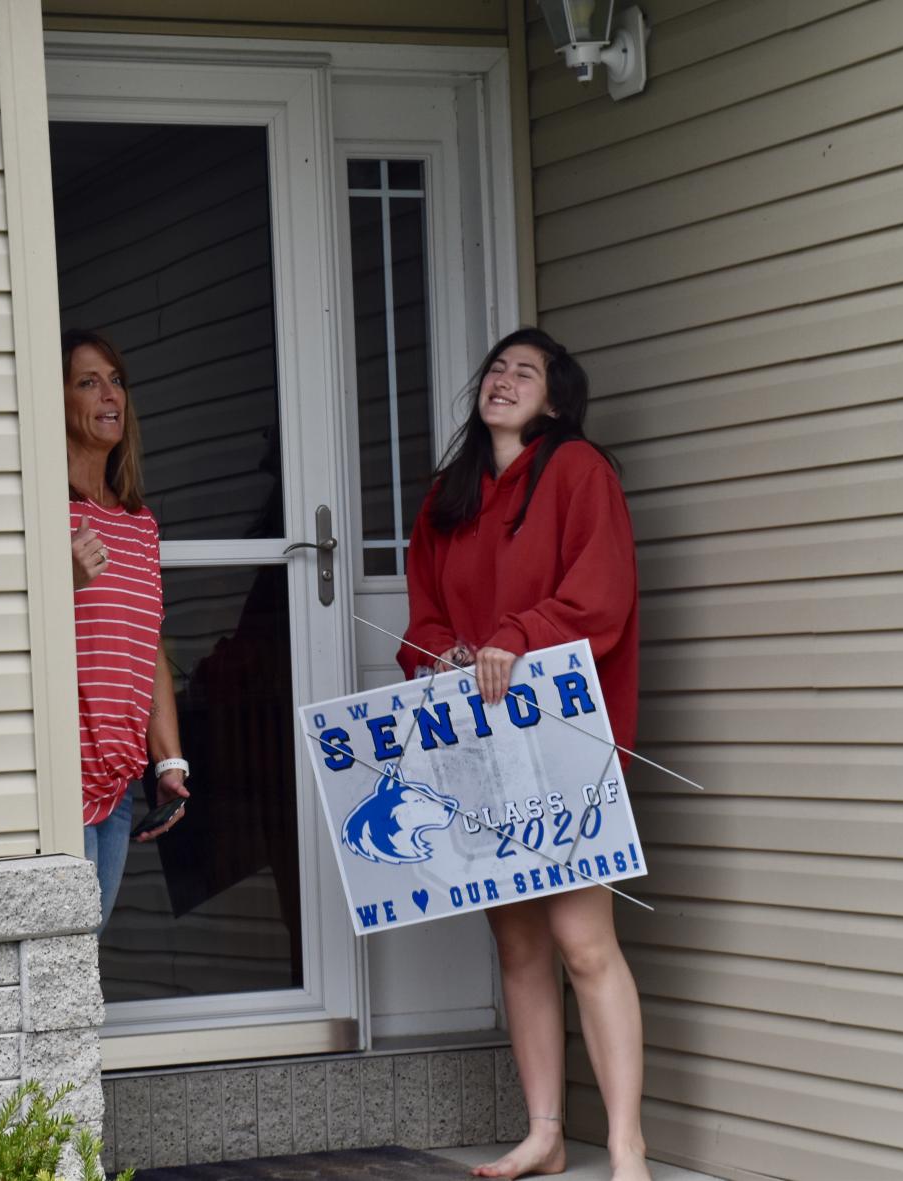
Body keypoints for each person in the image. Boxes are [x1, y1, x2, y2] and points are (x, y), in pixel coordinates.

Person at [398, 328, 650, 1181]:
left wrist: (514, 637)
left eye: (525, 372)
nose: (502, 381)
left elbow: (599, 592)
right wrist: (437, 655)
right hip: (478, 742)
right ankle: (544, 1133)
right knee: (517, 944)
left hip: (564, 739)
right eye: (496, 369)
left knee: (583, 939)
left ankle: (624, 1144)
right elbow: (424, 613)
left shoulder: (580, 471)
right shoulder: (445, 497)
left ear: (553, 399)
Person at [64, 327, 190, 933]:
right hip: (60, 779)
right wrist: (62, 579)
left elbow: (150, 647)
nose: (109, 394)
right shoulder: (45, 509)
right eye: (88, 381)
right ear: (56, 399)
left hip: (116, 784)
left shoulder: (139, 524)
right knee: (67, 961)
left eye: (115, 380)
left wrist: (169, 763)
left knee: (84, 962)